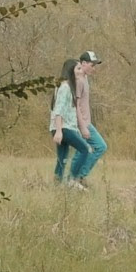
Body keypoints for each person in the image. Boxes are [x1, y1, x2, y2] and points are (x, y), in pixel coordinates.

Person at [49, 58, 91, 190]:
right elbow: (59, 110)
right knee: (85, 149)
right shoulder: (65, 87)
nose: (80, 71)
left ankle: (57, 185)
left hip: (64, 127)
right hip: (64, 128)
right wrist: (59, 131)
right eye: (78, 68)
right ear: (70, 70)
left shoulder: (66, 86)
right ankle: (72, 179)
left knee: (62, 158)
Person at [73, 50, 108, 187]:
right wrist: (82, 126)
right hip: (81, 123)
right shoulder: (79, 81)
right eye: (92, 65)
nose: (94, 68)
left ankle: (76, 178)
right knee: (98, 146)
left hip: (86, 122)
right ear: (83, 63)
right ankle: (76, 178)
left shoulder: (85, 78)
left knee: (84, 150)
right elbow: (75, 105)